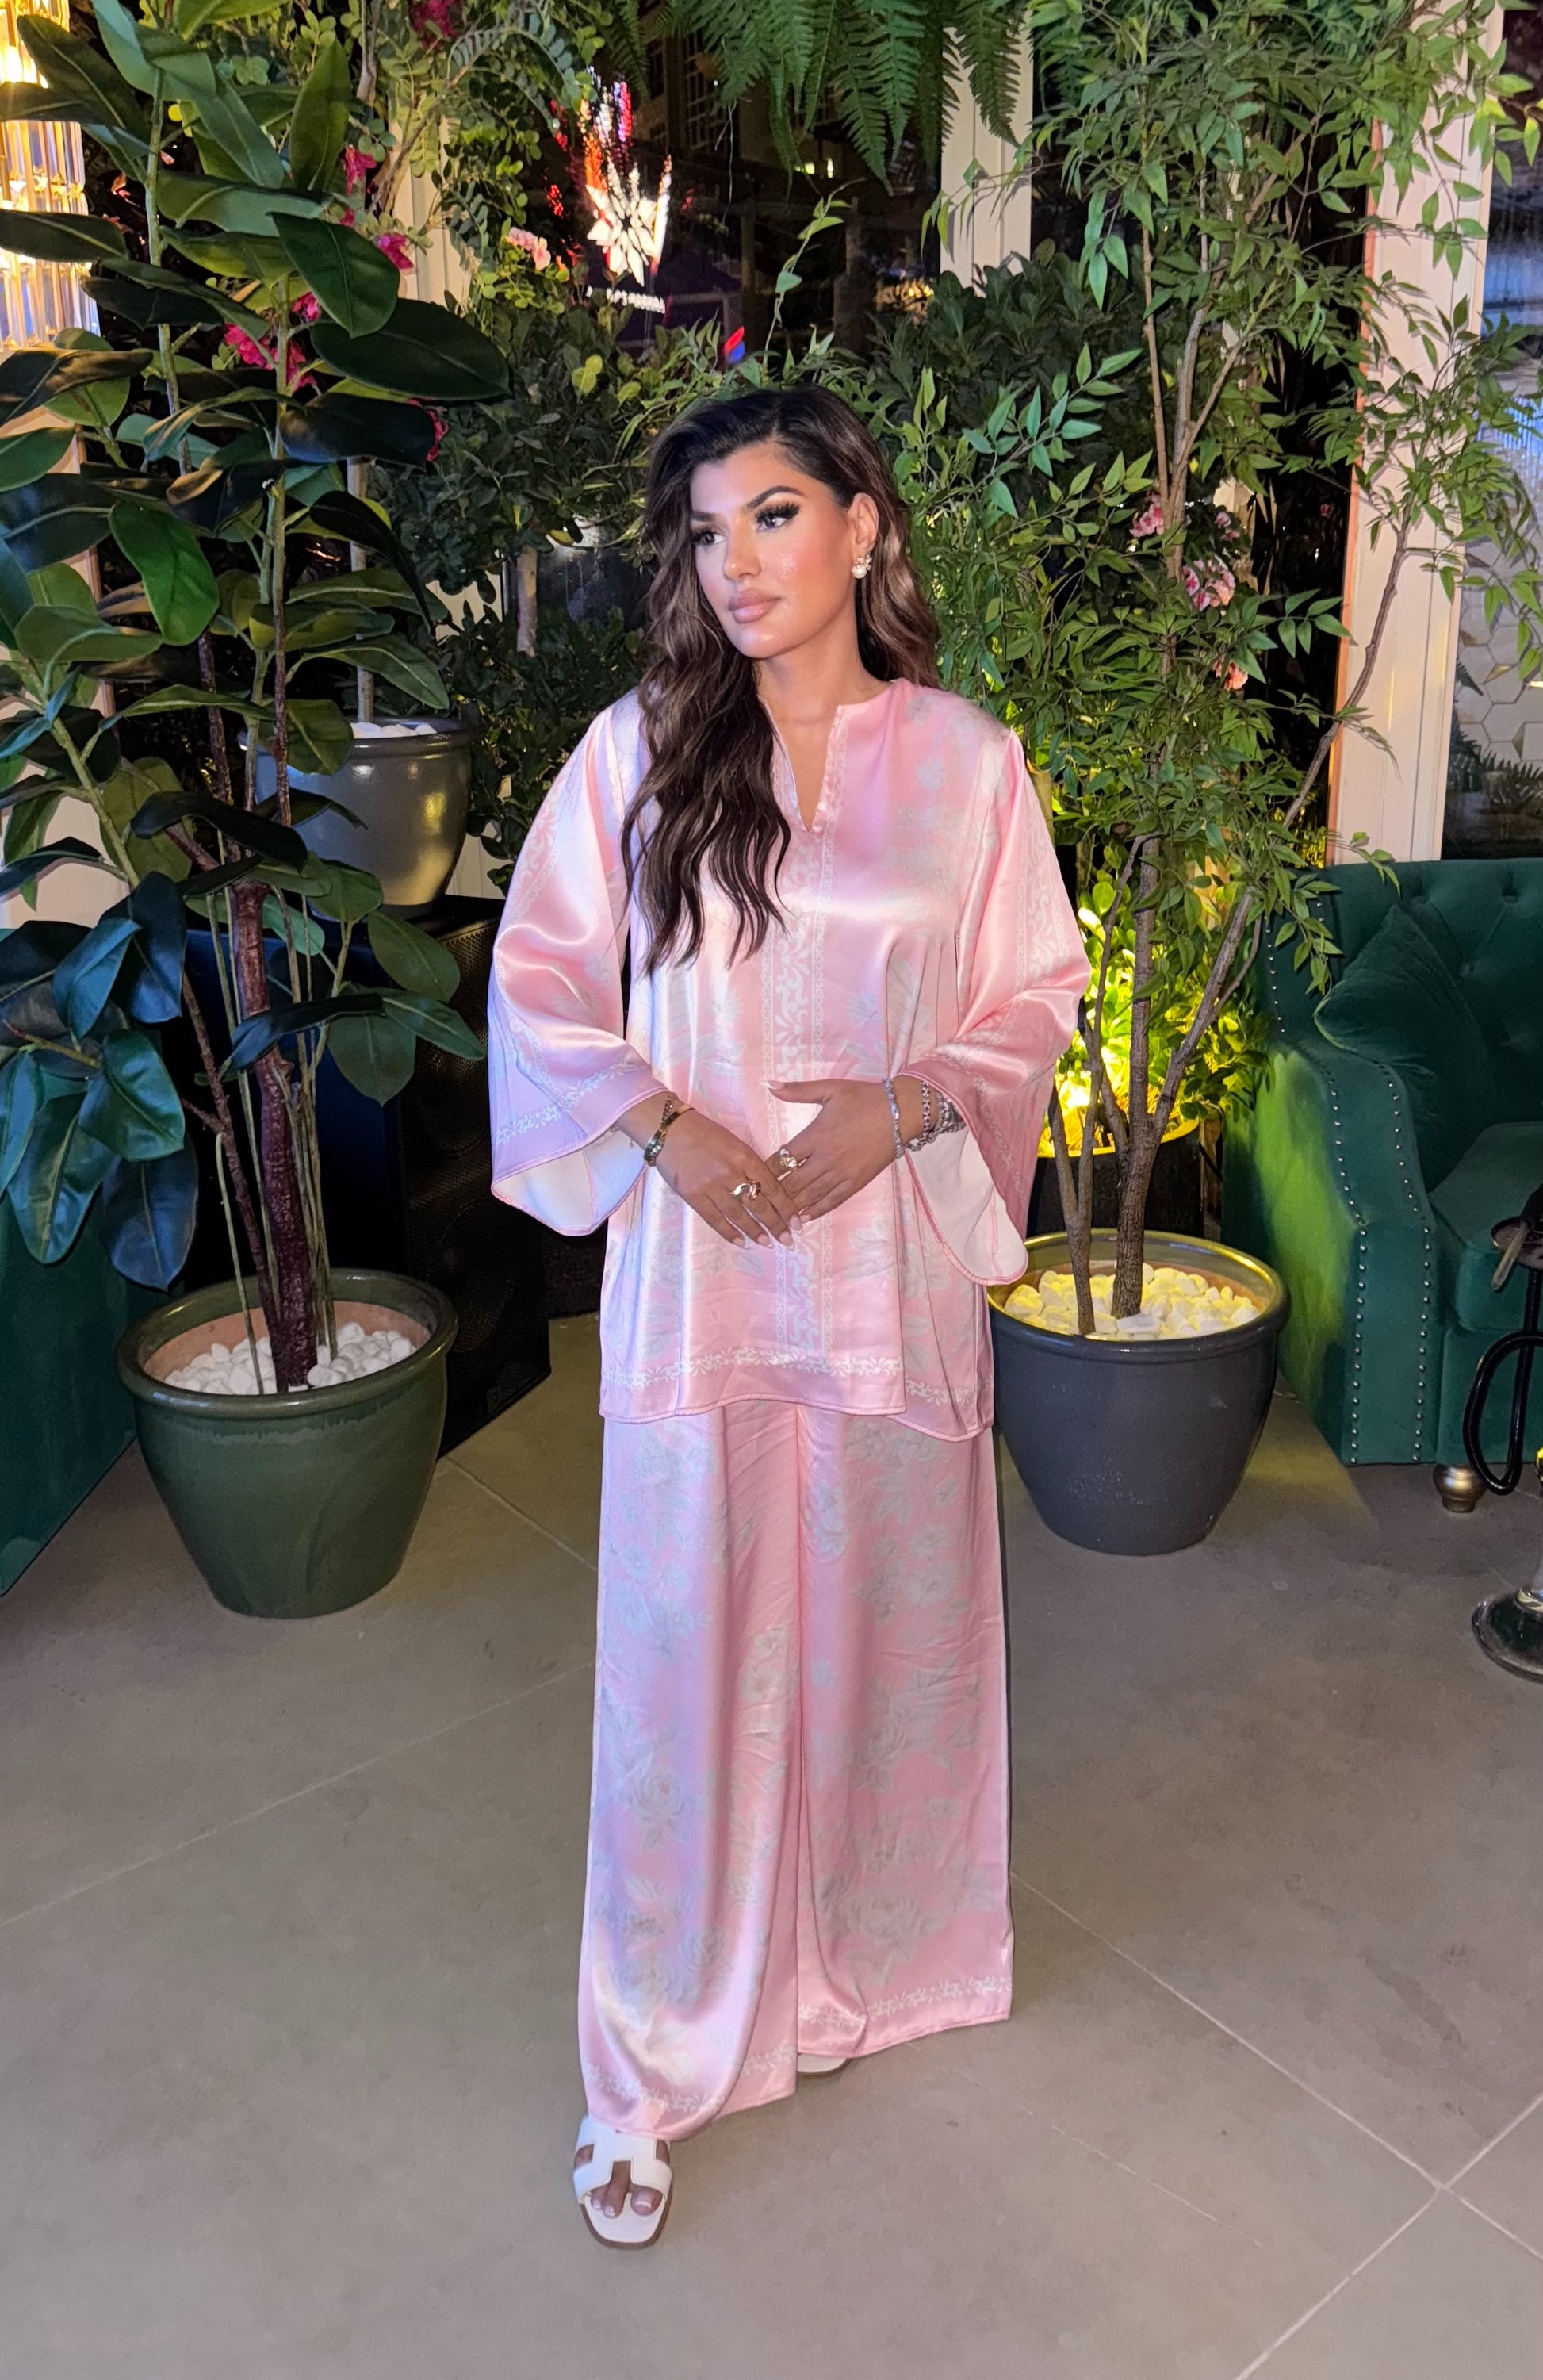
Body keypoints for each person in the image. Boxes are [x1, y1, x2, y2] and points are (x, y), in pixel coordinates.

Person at [488, 384, 1086, 2248]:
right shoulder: (640, 756)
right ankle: (651, 2045)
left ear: (860, 526)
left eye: (769, 516)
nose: (733, 563)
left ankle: (882, 1956)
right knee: (683, 1668)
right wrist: (663, 1126)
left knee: (892, 1631)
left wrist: (899, 1108)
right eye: (704, 531)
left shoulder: (965, 765)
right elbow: (540, 976)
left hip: (887, 1274)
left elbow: (1033, 993)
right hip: (703, 1285)